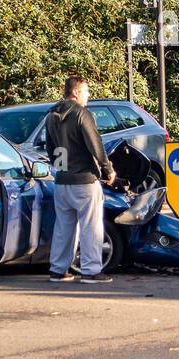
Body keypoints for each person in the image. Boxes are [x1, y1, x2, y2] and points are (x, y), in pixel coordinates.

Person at [45, 76, 117, 284]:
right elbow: (95, 143)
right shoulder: (82, 114)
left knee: (63, 227)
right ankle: (91, 271)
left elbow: (51, 148)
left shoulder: (52, 115)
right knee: (91, 226)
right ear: (75, 92)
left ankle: (57, 270)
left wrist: (62, 169)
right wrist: (108, 169)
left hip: (62, 180)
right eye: (86, 91)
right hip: (84, 180)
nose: (88, 95)